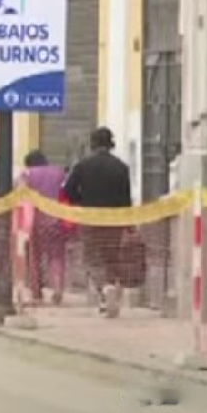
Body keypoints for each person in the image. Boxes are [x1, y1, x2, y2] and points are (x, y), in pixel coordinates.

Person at [62, 127, 133, 317]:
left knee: (92, 258)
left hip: (90, 219)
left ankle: (103, 290)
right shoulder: (121, 167)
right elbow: (126, 198)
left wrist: (81, 201)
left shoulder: (82, 166)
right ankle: (110, 286)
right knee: (111, 256)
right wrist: (129, 223)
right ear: (111, 143)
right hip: (114, 221)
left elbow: (68, 191)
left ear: (92, 143)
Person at [19, 150, 71, 305]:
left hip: (35, 220)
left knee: (34, 256)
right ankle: (58, 289)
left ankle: (36, 291)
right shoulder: (59, 173)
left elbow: (20, 195)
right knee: (56, 256)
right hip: (56, 219)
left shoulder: (27, 174)